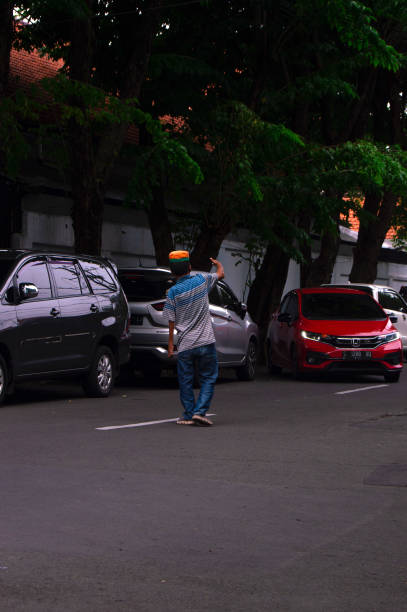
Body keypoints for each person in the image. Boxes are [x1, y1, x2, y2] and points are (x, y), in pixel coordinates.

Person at [162, 250, 224, 426]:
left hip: (186, 344)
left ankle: (189, 413)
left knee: (185, 380)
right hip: (206, 341)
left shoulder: (172, 292)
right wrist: (217, 264)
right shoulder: (201, 280)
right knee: (208, 377)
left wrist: (171, 346)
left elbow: (171, 321)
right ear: (189, 267)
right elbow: (221, 274)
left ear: (173, 272)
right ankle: (200, 411)